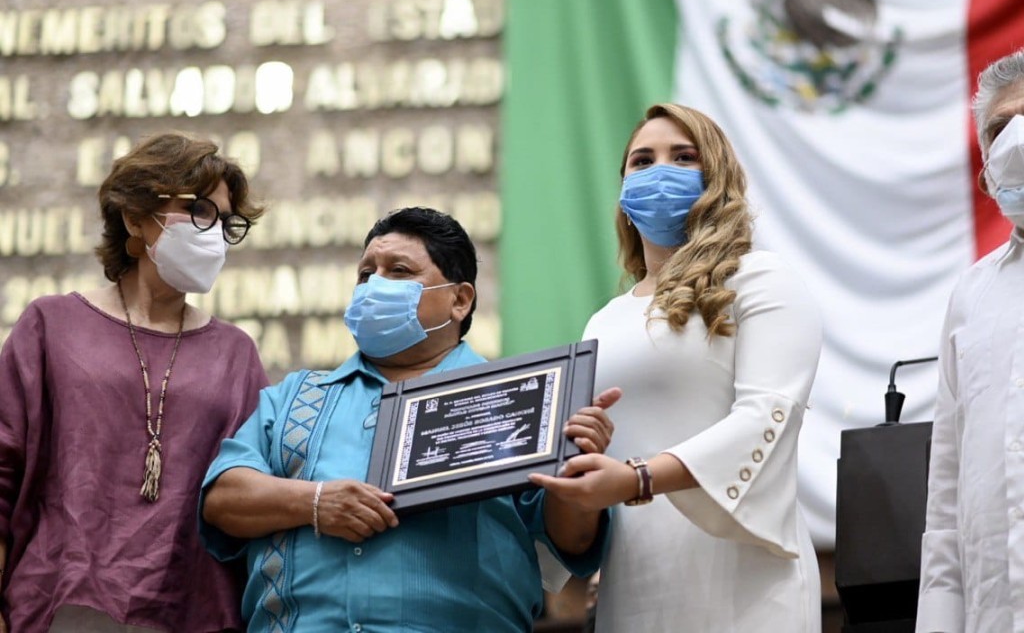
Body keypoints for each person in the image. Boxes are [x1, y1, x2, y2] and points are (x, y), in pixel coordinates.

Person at [200, 206, 617, 633]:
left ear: (460, 299)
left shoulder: (517, 401)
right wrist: (317, 502)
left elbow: (574, 541)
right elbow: (223, 499)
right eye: (366, 275)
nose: (376, 285)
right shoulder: (295, 396)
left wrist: (577, 462)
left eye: (399, 271)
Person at [530, 103, 823, 631]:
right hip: (634, 582)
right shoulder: (602, 322)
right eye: (642, 161)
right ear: (621, 189)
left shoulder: (760, 279)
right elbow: (595, 464)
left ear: (717, 178)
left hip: (746, 581)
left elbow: (767, 418)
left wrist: (635, 478)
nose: (659, 171)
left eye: (682, 157)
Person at [0, 132, 268, 633]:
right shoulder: (51, 326)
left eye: (225, 220)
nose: (214, 232)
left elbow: (251, 491)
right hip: (57, 608)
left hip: (192, 612)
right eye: (199, 211)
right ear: (135, 216)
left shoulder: (236, 354)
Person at [916, 47, 1024, 633]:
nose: (1019, 141)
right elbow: (947, 496)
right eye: (1002, 130)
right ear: (986, 174)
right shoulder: (970, 297)